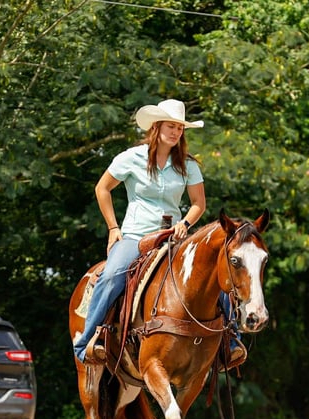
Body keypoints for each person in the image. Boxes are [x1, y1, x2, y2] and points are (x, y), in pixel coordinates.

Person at [73, 98, 245, 368]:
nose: (176, 132)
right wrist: (113, 228)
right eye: (171, 126)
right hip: (136, 237)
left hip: (175, 238)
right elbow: (102, 188)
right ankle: (88, 343)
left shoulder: (188, 165)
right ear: (156, 126)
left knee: (215, 270)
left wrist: (185, 223)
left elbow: (199, 203)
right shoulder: (131, 157)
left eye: (180, 128)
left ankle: (231, 340)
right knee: (112, 275)